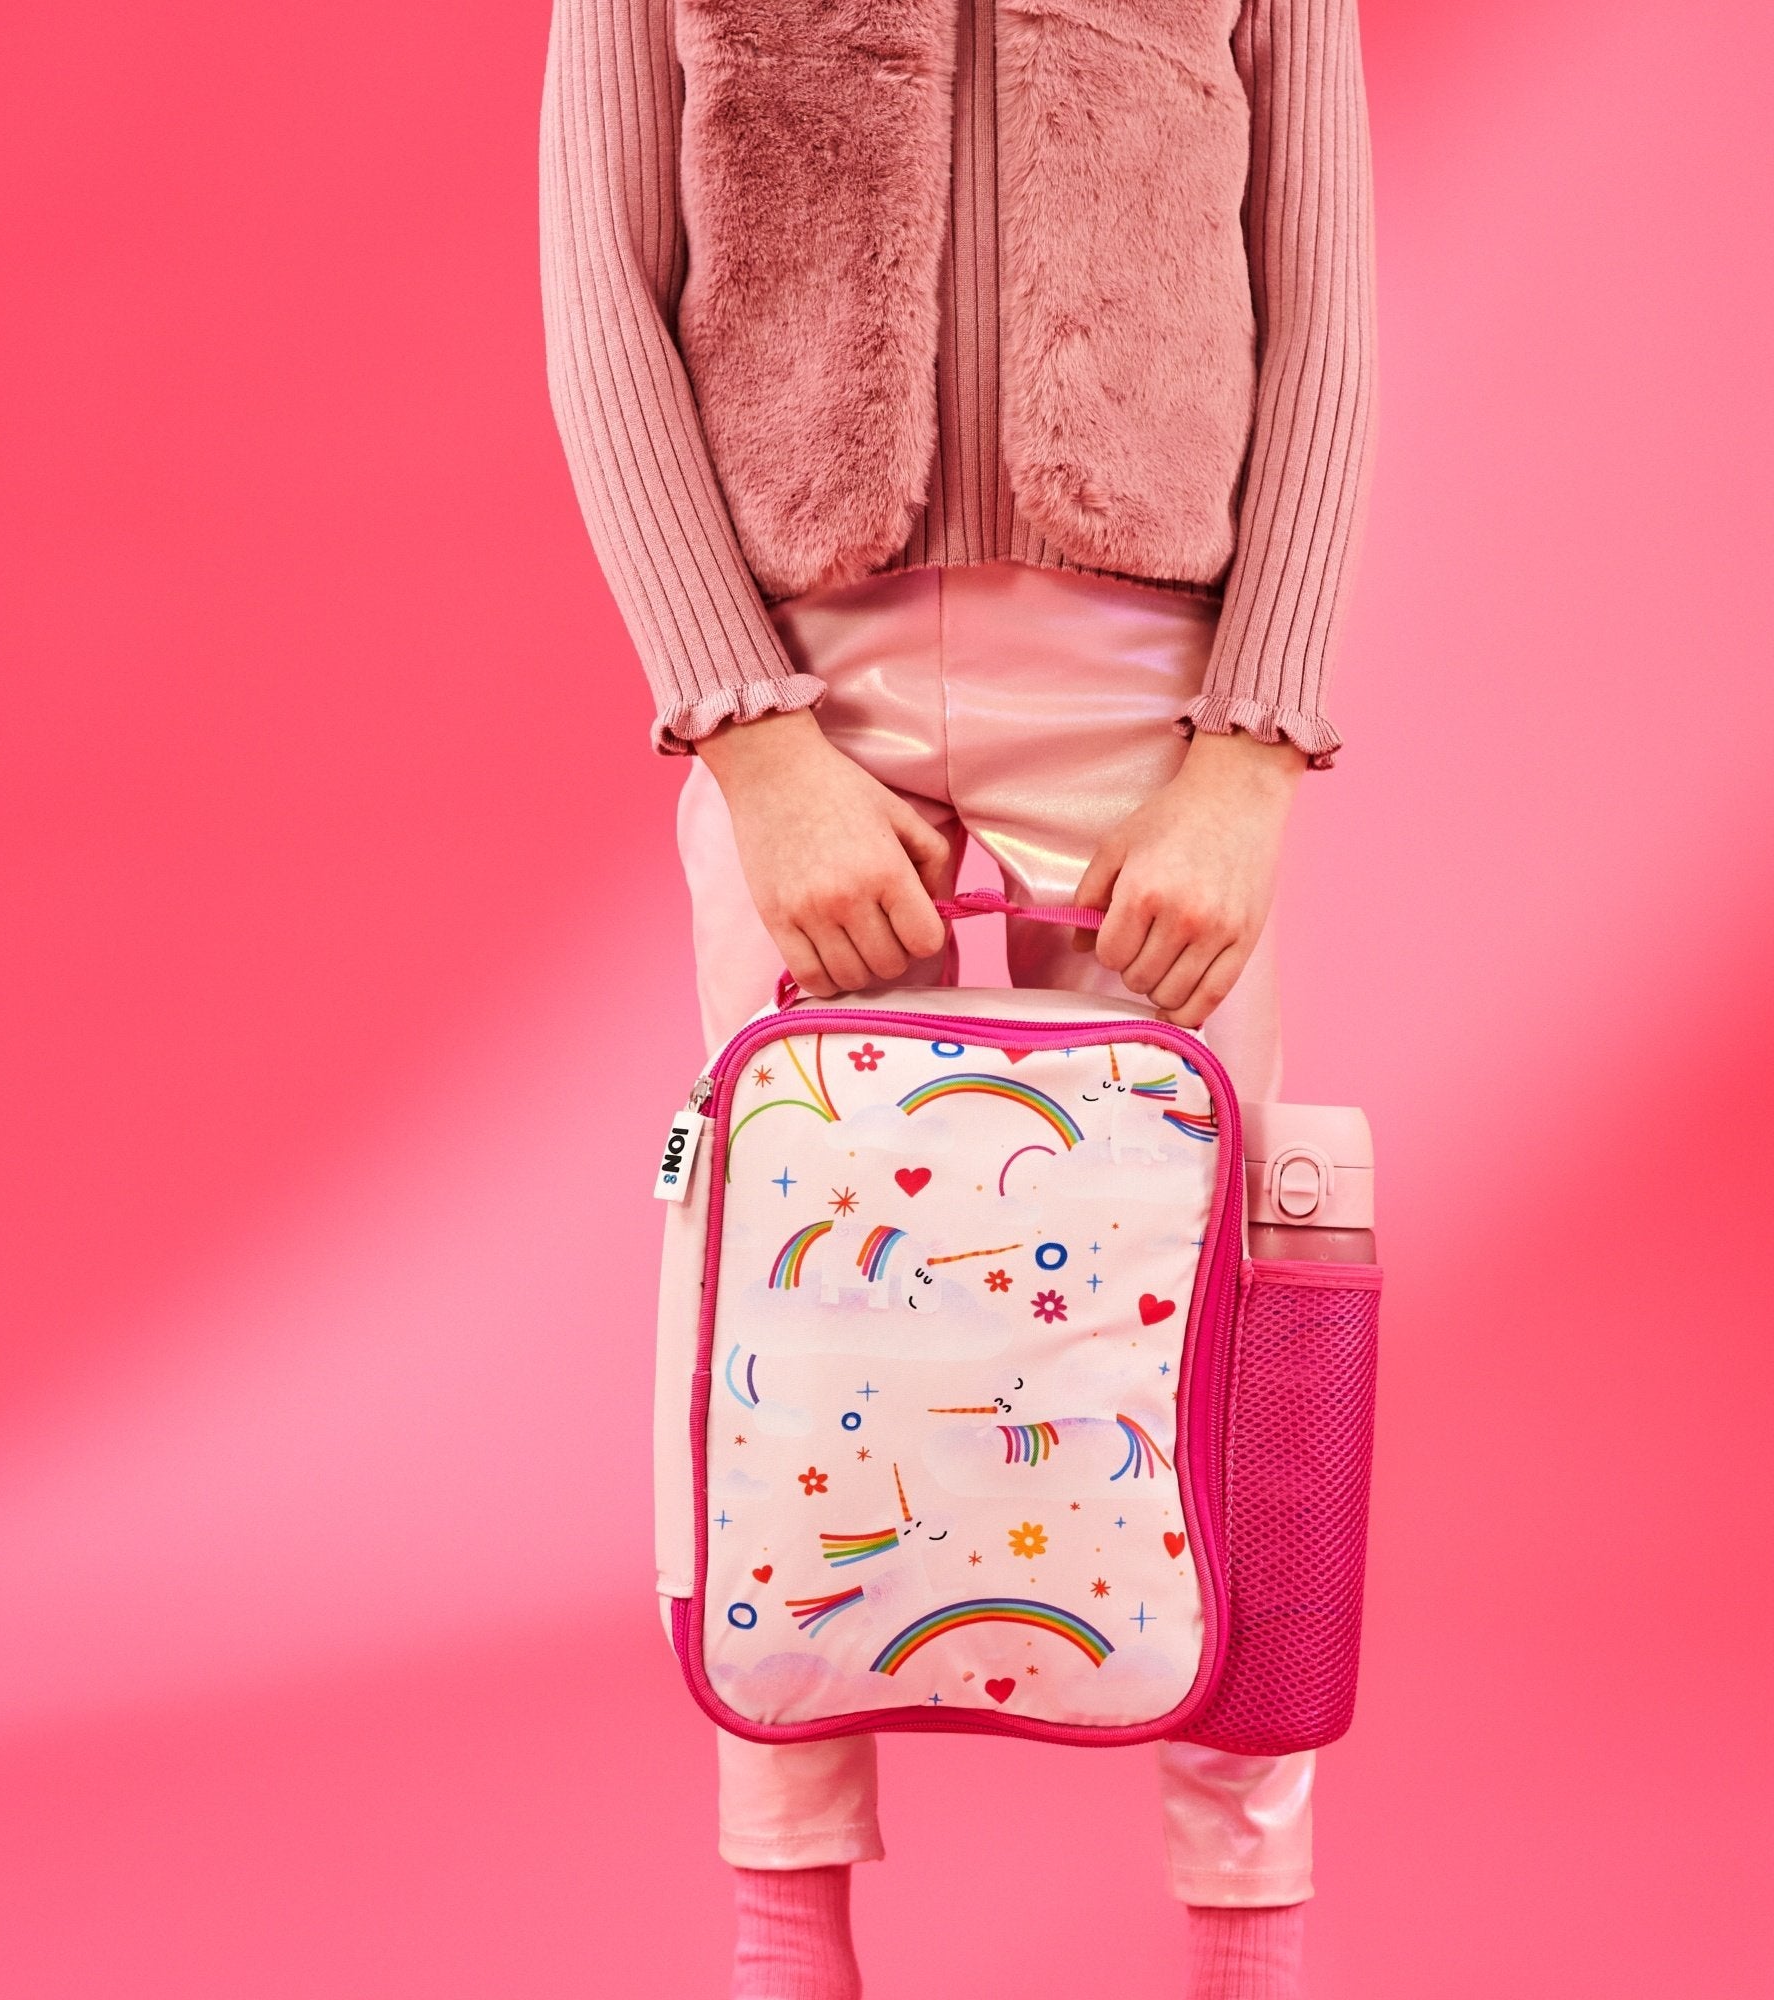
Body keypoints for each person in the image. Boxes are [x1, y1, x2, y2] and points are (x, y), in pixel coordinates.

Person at [540, 2, 1378, 1994]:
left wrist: (1254, 746)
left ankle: (1243, 1956)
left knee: (1225, 1336)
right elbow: (599, 292)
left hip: (1155, 702)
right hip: (799, 695)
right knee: (777, 1319)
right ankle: (788, 1943)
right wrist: (746, 733)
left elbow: (1325, 305)